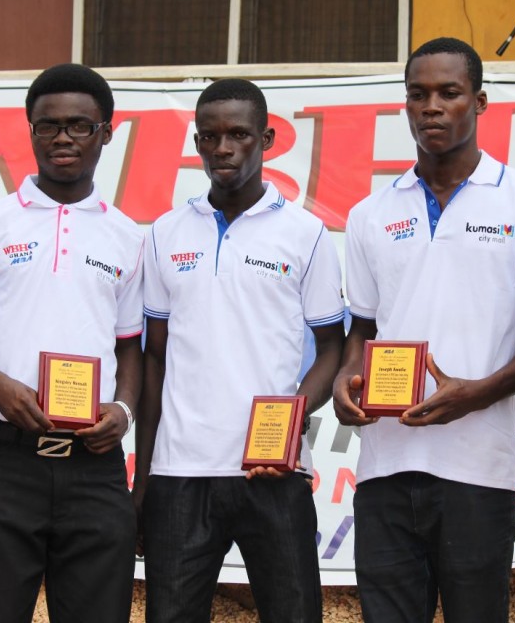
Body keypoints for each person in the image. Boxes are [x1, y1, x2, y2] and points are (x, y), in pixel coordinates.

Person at [331, 37, 515, 622]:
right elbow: (363, 326)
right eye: (419, 94)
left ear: (480, 102)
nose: (432, 107)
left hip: (478, 466)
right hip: (385, 464)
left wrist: (476, 394)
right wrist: (345, 377)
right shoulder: (370, 214)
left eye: (449, 93)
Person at [0, 63, 142, 623]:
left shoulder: (129, 237)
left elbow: (129, 347)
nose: (62, 139)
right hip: (5, 462)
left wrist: (122, 410)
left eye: (79, 126)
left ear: (106, 132)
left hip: (95, 465)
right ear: (30, 132)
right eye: (47, 126)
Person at [134, 78, 345, 623]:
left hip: (273, 473)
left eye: (238, 135)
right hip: (181, 474)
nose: (223, 148)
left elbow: (332, 349)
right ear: (197, 141)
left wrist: (292, 420)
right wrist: (145, 476)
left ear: (267, 139)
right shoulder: (165, 233)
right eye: (210, 136)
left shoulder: (306, 234)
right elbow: (153, 358)